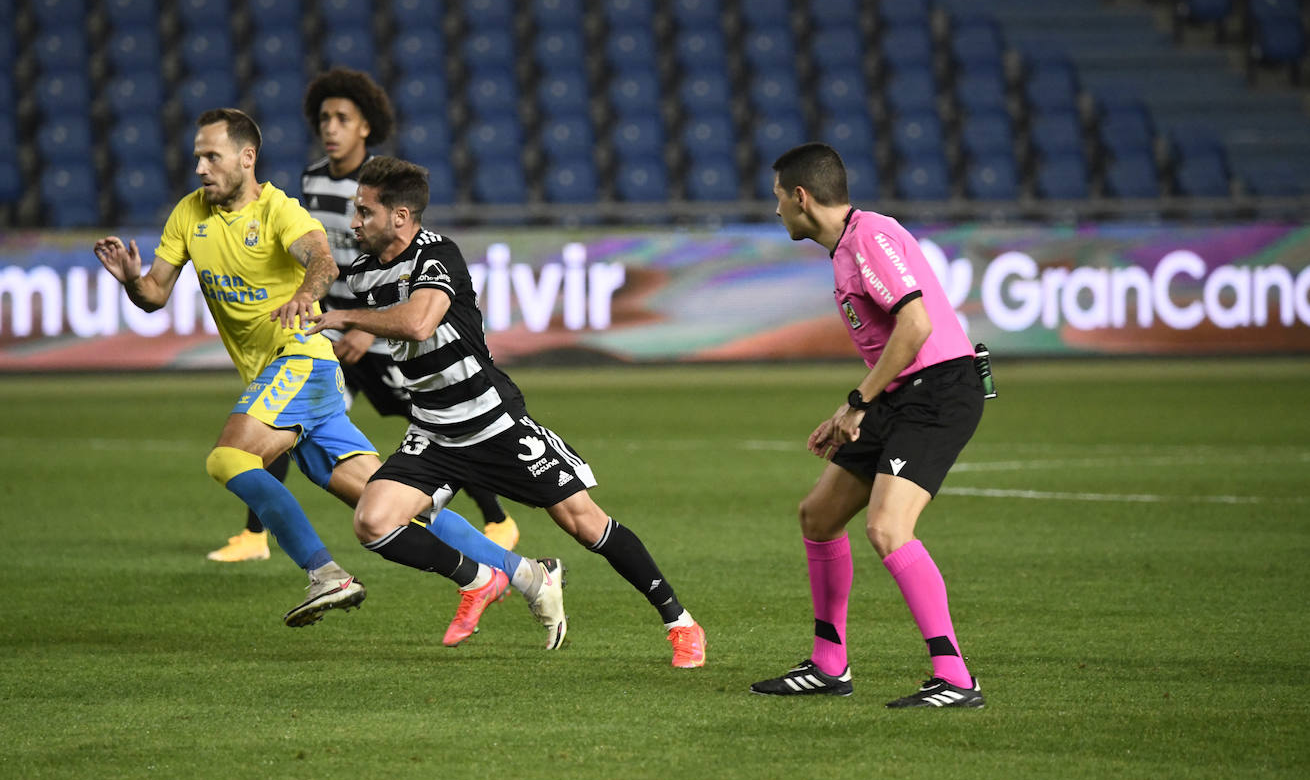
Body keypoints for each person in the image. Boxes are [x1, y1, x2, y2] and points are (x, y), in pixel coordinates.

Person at [93, 108, 565, 644]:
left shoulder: (279, 211)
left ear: (246, 158)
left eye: (211, 156)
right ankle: (529, 574)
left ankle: (326, 574)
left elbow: (322, 261)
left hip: (300, 360)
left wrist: (305, 294)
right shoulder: (189, 213)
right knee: (390, 500)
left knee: (229, 457)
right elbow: (155, 294)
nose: (200, 167)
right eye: (197, 157)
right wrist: (132, 281)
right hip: (289, 375)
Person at [303, 156, 707, 666]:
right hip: (434, 431)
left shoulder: (438, 256)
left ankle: (681, 622)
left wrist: (346, 318)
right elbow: (374, 309)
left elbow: (420, 322)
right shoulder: (364, 273)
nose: (354, 222)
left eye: (364, 211)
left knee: (586, 524)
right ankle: (480, 579)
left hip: (491, 421)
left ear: (400, 216)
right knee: (373, 521)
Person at [208, 68, 520, 563]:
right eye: (324, 119)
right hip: (330, 331)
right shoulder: (311, 179)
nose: (330, 128)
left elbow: (403, 263)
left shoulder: (381, 184)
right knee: (289, 423)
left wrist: (365, 331)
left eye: (342, 118)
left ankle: (497, 519)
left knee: (433, 420)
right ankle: (254, 534)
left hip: (376, 332)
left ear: (366, 126)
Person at [750, 142, 986, 707]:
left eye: (778, 197)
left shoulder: (870, 237)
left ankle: (955, 677)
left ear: (801, 197)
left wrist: (857, 402)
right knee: (819, 516)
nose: (776, 209)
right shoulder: (847, 247)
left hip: (938, 390)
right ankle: (829, 664)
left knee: (887, 528)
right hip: (902, 392)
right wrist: (854, 408)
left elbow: (916, 325)